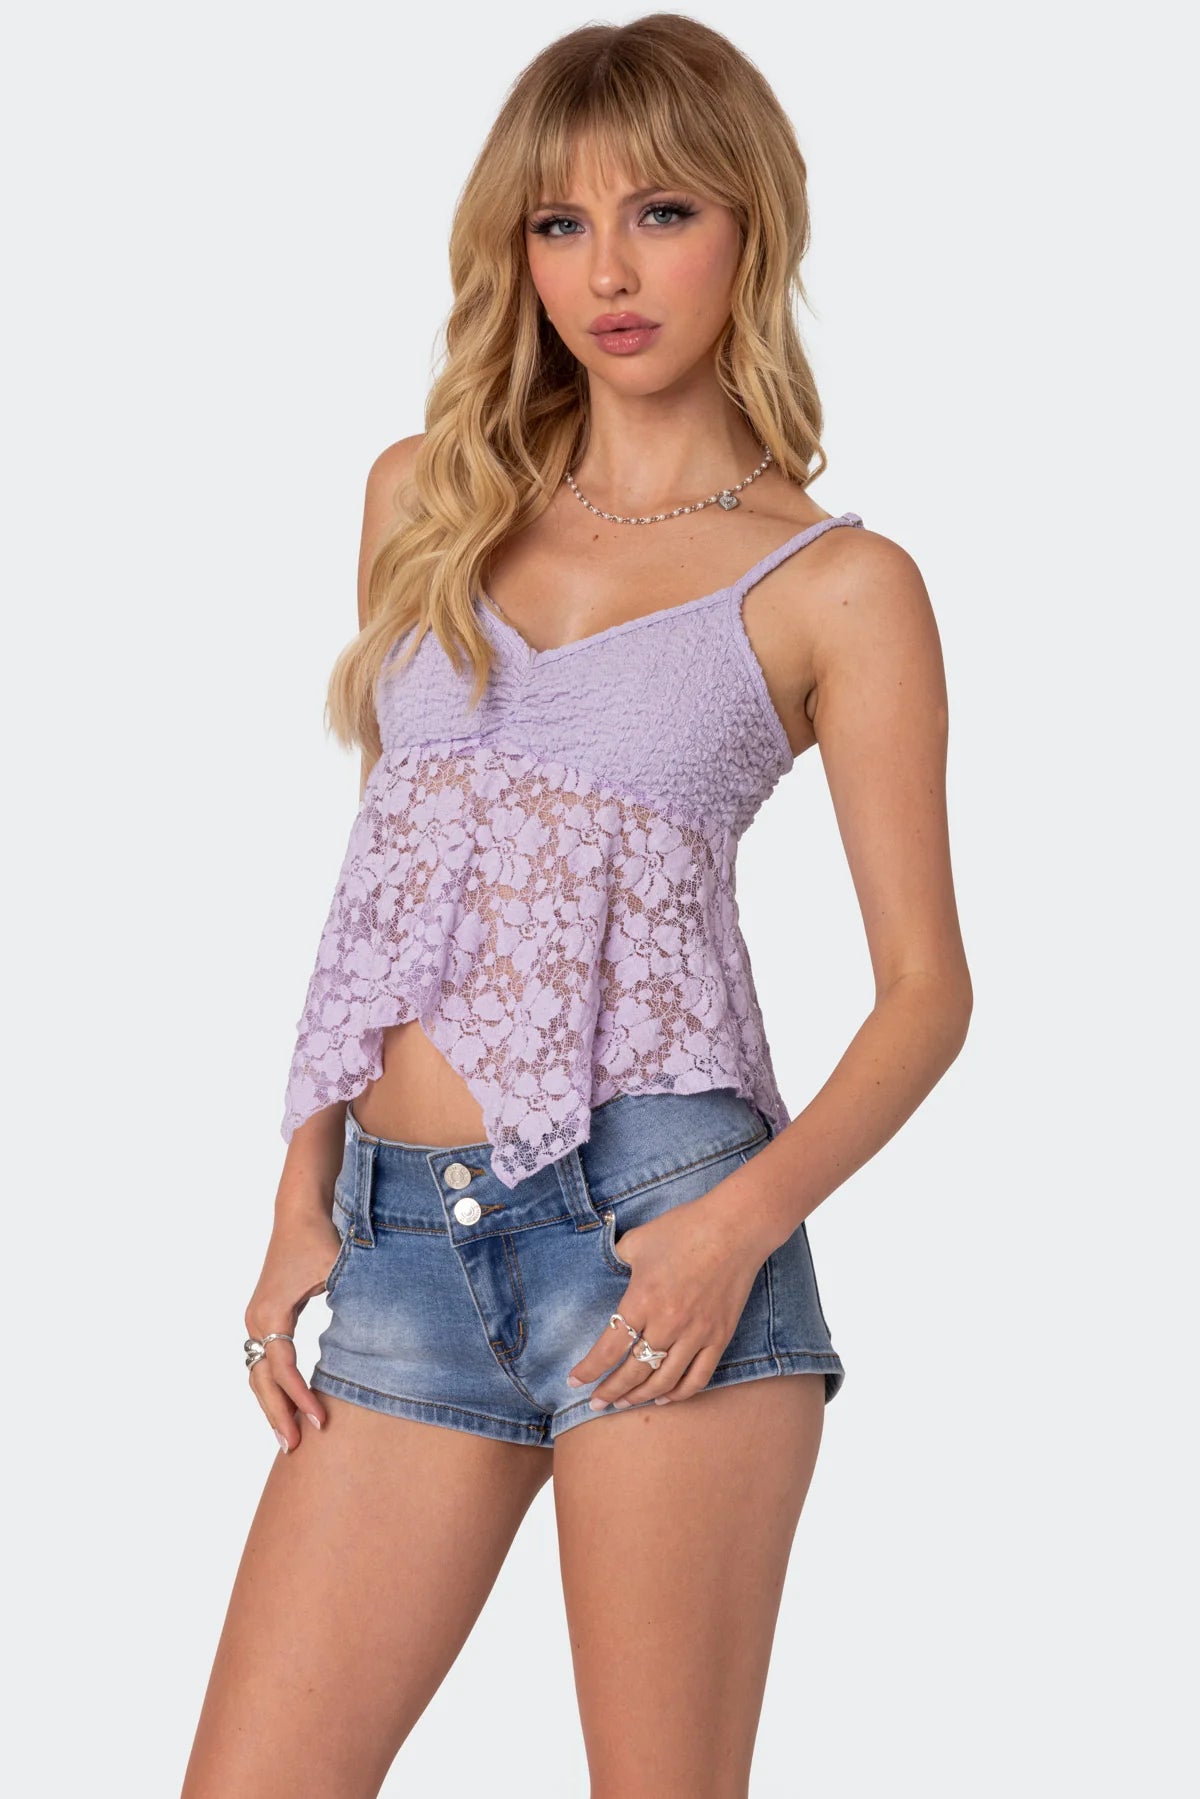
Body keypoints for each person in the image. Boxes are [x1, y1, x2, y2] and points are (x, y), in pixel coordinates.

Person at [183, 14, 971, 1797]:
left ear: (751, 229)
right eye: (560, 224)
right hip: (398, 1247)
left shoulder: (837, 584)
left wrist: (734, 1228)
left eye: (662, 213)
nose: (607, 272)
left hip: (660, 1232)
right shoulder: (424, 498)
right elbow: (388, 882)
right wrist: (302, 1195)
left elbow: (929, 992)